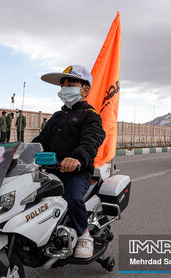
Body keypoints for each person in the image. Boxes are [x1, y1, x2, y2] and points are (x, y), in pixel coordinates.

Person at [32, 65, 106, 259]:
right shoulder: (57, 117)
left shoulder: (91, 115)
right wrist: (24, 152)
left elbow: (92, 140)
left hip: (77, 172)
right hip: (51, 170)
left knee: (72, 197)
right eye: (63, 85)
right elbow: (41, 140)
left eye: (71, 84)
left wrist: (77, 158)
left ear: (85, 90)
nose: (65, 89)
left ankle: (84, 234)